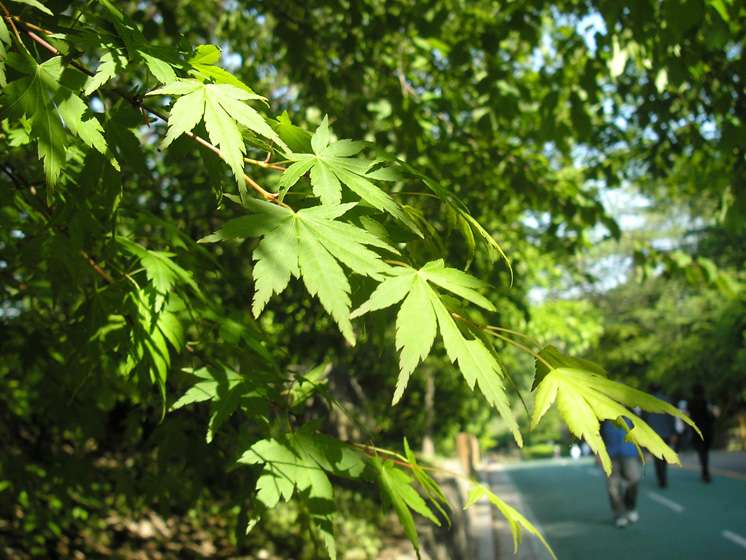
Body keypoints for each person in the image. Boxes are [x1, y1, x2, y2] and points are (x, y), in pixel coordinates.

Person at [601, 417, 640, 528]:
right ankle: (619, 514)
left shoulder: (630, 410)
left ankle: (630, 507)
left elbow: (639, 428)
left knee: (634, 479)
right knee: (613, 485)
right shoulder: (603, 413)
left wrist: (640, 449)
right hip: (610, 454)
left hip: (629, 452)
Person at [641, 382, 676, 488]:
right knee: (664, 456)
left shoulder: (646, 402)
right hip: (665, 433)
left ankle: (661, 478)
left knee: (657, 457)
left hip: (652, 434)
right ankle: (663, 477)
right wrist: (673, 432)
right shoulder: (666, 401)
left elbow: (643, 420)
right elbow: (671, 418)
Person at [689, 383, 717, 483]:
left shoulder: (691, 402)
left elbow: (689, 416)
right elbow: (714, 415)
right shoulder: (707, 401)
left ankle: (704, 470)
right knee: (705, 451)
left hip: (698, 430)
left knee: (701, 451)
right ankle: (705, 470)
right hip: (708, 429)